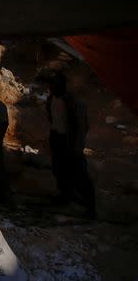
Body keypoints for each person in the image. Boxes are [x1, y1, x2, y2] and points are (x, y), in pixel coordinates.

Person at [45, 72, 95, 218]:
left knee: (79, 172)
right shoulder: (51, 99)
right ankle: (66, 194)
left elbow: (81, 126)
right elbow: (52, 118)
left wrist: (77, 146)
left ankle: (90, 206)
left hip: (70, 140)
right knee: (59, 169)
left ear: (62, 85)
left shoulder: (73, 102)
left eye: (54, 85)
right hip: (57, 137)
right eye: (50, 85)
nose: (51, 88)